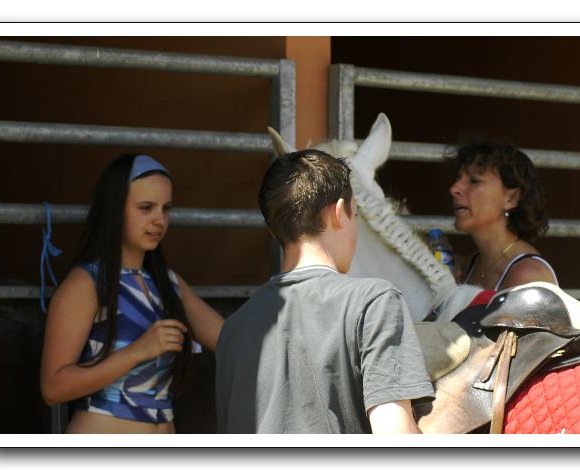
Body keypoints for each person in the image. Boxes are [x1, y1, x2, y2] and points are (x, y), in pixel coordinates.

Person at [215, 149, 434, 434]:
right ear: (339, 212)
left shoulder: (232, 330)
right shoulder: (374, 302)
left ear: (272, 230)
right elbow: (395, 436)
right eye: (356, 214)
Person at [40, 154, 224, 433]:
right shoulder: (86, 284)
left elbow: (230, 340)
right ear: (114, 209)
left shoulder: (169, 283)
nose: (159, 220)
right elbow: (53, 388)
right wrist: (137, 352)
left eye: (166, 208)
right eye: (146, 208)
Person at [448, 141, 558, 291]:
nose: (454, 189)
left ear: (511, 198)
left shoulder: (528, 275)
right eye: (457, 179)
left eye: (474, 180)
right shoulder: (471, 265)